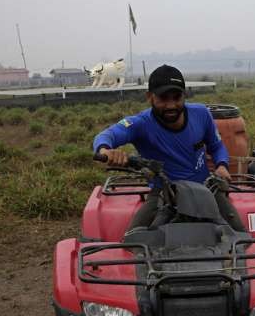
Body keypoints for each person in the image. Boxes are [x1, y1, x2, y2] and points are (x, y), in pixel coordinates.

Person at [92, 64, 245, 232]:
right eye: (163, 98)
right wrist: (105, 150)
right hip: (162, 193)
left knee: (240, 235)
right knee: (133, 241)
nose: (171, 105)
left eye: (177, 97)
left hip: (205, 189)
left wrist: (222, 166)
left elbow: (216, 146)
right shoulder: (141, 124)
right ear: (149, 97)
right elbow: (108, 135)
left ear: (184, 95)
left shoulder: (201, 114)